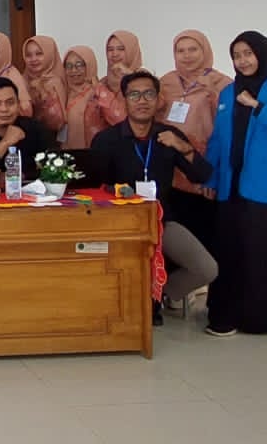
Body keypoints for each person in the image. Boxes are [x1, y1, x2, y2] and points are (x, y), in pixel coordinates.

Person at [89, 71, 216, 325]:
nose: (142, 101)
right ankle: (130, 301)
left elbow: (202, 174)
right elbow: (94, 187)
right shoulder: (107, 140)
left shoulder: (168, 136)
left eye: (149, 94)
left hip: (161, 220)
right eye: (134, 95)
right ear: (124, 100)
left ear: (158, 99)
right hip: (120, 222)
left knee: (206, 268)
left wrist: (183, 147)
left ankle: (157, 296)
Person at [204, 31, 267, 337]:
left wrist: (258, 107)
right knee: (229, 251)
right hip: (230, 185)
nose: (242, 61)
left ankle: (257, 317)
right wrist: (211, 176)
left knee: (259, 253)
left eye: (248, 54)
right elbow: (217, 139)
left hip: (264, 188)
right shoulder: (227, 93)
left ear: (262, 54)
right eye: (237, 56)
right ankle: (226, 314)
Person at [159, 30, 235, 242]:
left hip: (203, 166)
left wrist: (213, 94)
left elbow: (229, 129)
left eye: (193, 49)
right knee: (172, 233)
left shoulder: (222, 83)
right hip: (171, 170)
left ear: (205, 51)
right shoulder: (166, 82)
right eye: (180, 51)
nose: (186, 56)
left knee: (204, 235)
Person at [62, 45, 123, 150]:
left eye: (79, 65)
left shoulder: (99, 91)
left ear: (89, 66)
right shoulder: (64, 92)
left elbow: (119, 119)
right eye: (69, 66)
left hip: (96, 152)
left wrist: (99, 89)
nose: (73, 70)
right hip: (68, 154)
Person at [22, 35, 67, 137]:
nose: (33, 59)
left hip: (51, 140)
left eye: (39, 54)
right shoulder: (22, 80)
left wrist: (43, 94)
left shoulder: (55, 82)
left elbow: (57, 123)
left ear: (49, 55)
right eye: (28, 55)